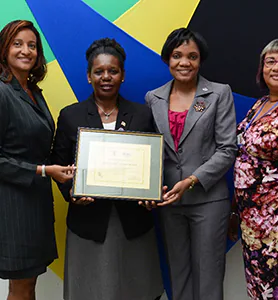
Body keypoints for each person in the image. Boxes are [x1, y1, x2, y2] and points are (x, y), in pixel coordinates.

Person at [51, 38, 163, 300]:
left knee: (136, 290)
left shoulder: (142, 114)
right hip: (88, 222)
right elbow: (59, 163)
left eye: (113, 71)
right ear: (89, 76)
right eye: (99, 71)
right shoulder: (71, 115)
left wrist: (152, 194)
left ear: (122, 75)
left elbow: (156, 164)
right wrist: (71, 192)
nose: (106, 77)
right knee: (89, 292)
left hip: (133, 222)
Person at [145, 28, 237, 300]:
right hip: (169, 201)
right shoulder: (154, 98)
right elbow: (152, 151)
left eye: (192, 56)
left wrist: (192, 180)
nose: (184, 62)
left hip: (208, 199)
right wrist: (148, 188)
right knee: (178, 273)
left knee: (208, 275)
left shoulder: (219, 93)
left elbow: (227, 148)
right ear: (167, 59)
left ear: (200, 60)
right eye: (177, 55)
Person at [0, 20, 74, 300]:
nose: (26, 51)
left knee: (28, 284)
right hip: (13, 206)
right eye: (17, 44)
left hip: (35, 202)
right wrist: (44, 170)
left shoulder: (32, 91)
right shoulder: (2, 92)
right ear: (4, 49)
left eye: (32, 45)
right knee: (21, 286)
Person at [229, 38, 278, 299]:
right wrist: (235, 211)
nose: (277, 67)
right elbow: (247, 161)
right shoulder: (260, 105)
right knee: (261, 292)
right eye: (270, 61)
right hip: (254, 230)